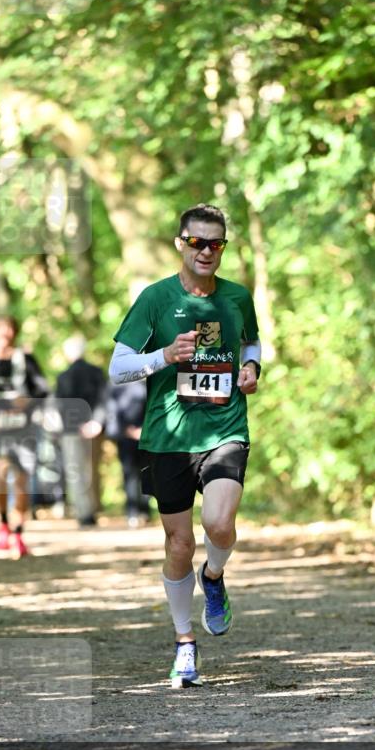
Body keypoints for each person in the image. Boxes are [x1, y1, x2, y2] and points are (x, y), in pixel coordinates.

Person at [109, 203, 261, 689]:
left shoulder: (237, 297)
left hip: (225, 429)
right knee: (179, 543)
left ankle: (213, 577)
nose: (206, 251)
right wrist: (163, 356)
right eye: (197, 242)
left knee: (219, 523)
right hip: (167, 438)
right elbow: (118, 368)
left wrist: (252, 368)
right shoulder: (155, 298)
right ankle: (184, 642)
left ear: (223, 248)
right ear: (181, 243)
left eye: (215, 243)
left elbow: (251, 343)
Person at [0, 314, 48, 557]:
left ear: (14, 333)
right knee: (1, 476)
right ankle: (4, 523)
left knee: (22, 480)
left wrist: (27, 402)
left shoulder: (25, 359)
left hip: (23, 428)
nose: (4, 334)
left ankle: (18, 532)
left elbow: (43, 390)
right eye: (0, 329)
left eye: (9, 329)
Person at [56, 335, 107, 527]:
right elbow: (104, 400)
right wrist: (96, 422)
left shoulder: (63, 377)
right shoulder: (96, 372)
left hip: (72, 430)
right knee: (92, 469)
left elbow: (60, 406)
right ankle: (92, 509)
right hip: (94, 428)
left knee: (76, 470)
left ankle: (85, 512)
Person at [105, 378, 152, 527]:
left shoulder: (148, 383)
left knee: (147, 473)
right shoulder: (115, 384)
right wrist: (126, 430)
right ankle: (132, 512)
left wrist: (145, 430)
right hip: (125, 438)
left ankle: (145, 511)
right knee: (129, 475)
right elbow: (111, 410)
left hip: (147, 436)